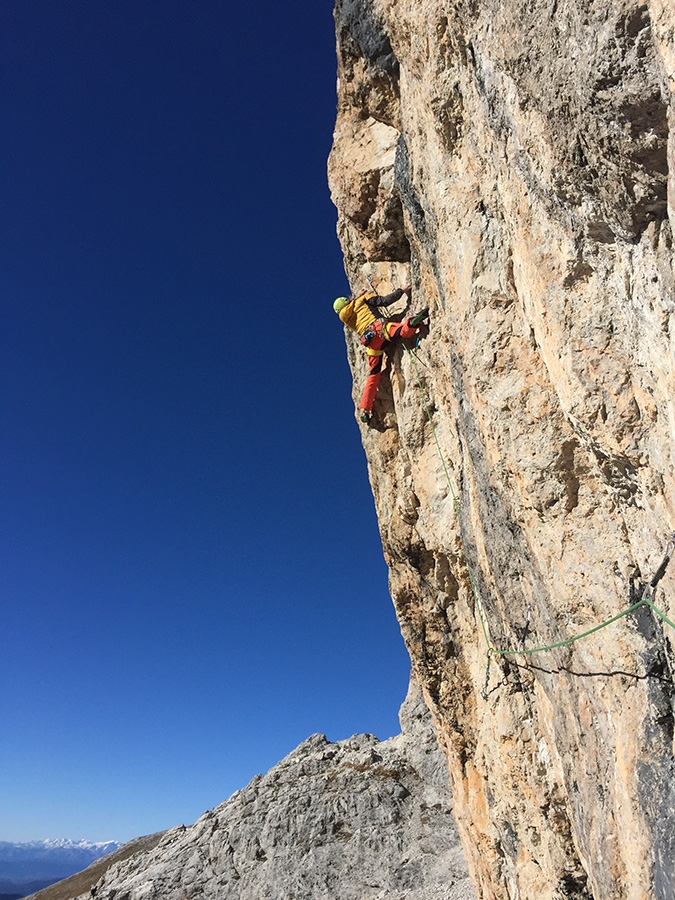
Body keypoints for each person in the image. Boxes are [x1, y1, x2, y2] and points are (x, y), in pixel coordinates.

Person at [333, 285, 429, 422]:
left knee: (373, 376)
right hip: (381, 329)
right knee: (401, 331)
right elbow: (385, 301)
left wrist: (356, 298)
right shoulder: (364, 300)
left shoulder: (347, 320)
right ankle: (412, 324)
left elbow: (351, 309)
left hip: (371, 343)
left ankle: (365, 409)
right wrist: (401, 291)